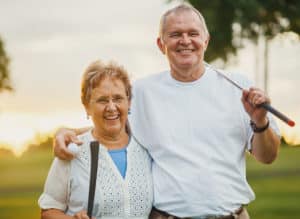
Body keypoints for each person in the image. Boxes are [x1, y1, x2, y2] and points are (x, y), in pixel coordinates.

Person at [53, 4, 281, 219]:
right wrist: (68, 131)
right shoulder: (141, 92)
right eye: (175, 34)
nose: (185, 41)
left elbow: (267, 156)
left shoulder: (238, 86)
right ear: (161, 44)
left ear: (206, 40)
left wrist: (260, 121)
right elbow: (111, 124)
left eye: (193, 33)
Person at [38, 60, 153, 219]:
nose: (111, 107)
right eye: (102, 100)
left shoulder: (146, 147)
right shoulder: (72, 151)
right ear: (87, 106)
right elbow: (48, 210)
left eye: (118, 98)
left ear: (129, 102)